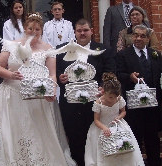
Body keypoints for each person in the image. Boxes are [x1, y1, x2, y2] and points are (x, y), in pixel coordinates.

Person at [0, 12, 76, 165]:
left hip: (38, 98)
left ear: (42, 30)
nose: (34, 32)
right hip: (12, 95)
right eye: (30, 28)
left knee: (37, 133)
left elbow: (52, 75)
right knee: (14, 132)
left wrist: (51, 90)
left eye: (37, 29)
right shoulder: (11, 45)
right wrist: (11, 75)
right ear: (25, 28)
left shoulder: (48, 48)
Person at [56, 18, 115, 166]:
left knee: (96, 136)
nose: (82, 33)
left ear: (91, 31)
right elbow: (54, 71)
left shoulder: (102, 50)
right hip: (70, 105)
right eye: (79, 31)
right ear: (74, 32)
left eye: (85, 30)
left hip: (95, 103)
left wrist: (103, 86)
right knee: (74, 137)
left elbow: (110, 72)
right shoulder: (62, 49)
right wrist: (59, 77)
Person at [116, 24, 162, 166]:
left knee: (153, 138)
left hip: (153, 106)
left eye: (142, 36)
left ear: (148, 38)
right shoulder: (123, 55)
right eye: (135, 35)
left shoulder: (156, 55)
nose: (138, 38)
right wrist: (130, 77)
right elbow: (118, 74)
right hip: (133, 106)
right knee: (135, 136)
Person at [85, 72, 145, 166]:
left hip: (118, 126)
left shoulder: (119, 99)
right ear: (104, 92)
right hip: (102, 127)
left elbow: (123, 111)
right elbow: (96, 120)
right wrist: (104, 128)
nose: (112, 99)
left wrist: (119, 117)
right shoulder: (98, 102)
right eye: (110, 97)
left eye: (115, 97)